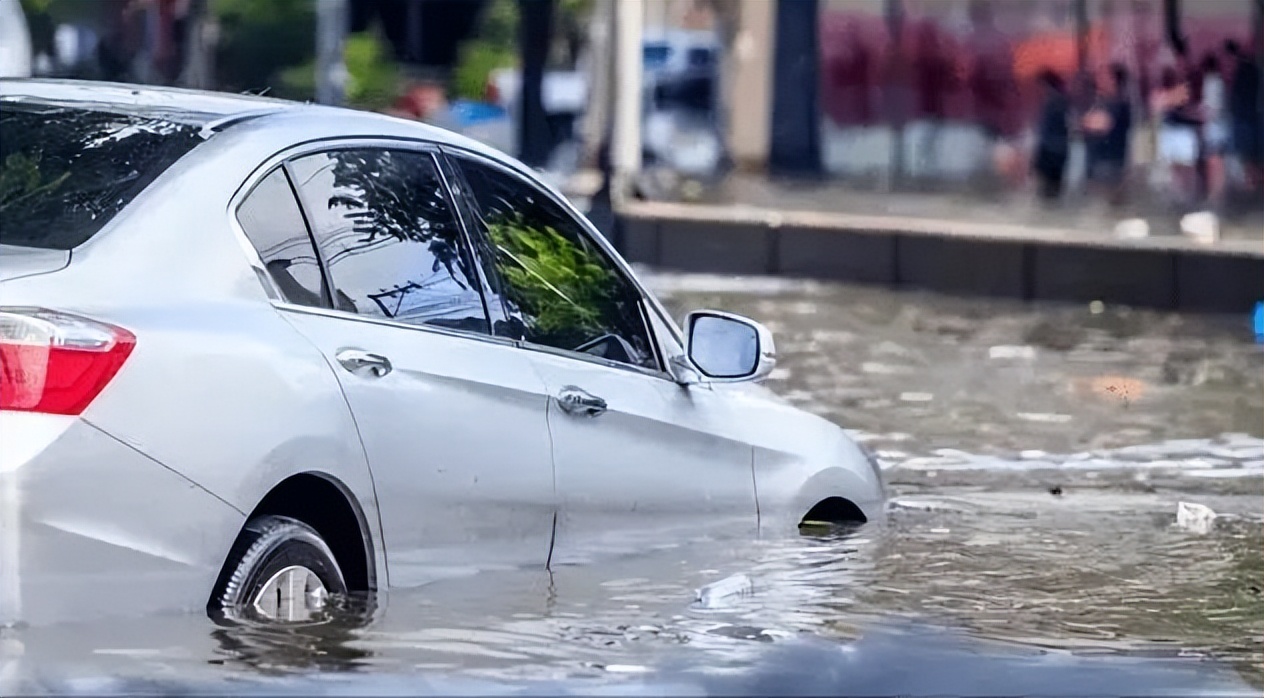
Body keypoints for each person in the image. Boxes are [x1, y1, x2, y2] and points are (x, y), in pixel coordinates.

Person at [1082, 64, 1133, 207]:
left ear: (1114, 80)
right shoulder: (1103, 101)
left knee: (1108, 203)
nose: (1100, 80)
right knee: (1105, 203)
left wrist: (1088, 121)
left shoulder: (1119, 102)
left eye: (1105, 77)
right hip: (1102, 160)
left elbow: (1101, 124)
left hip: (1110, 161)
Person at [1153, 65, 1202, 206]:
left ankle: (1189, 198)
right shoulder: (1161, 94)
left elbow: (1189, 109)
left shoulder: (1183, 91)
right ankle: (1177, 196)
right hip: (1169, 132)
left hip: (1184, 133)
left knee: (1187, 167)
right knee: (1174, 167)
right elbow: (1157, 109)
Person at [1225, 39, 1263, 192]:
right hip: (1251, 118)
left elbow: (1238, 98)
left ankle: (1253, 185)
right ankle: (1254, 184)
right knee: (1251, 155)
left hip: (1245, 120)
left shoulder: (1243, 71)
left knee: (1248, 155)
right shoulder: (1252, 69)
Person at [1032, 70, 1070, 201]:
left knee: (1048, 188)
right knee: (1052, 188)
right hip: (1057, 150)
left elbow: (1050, 131)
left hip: (1051, 150)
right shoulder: (1060, 101)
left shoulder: (1055, 102)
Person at [1199, 53, 1229, 208]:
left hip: (1215, 129)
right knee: (1214, 162)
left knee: (1215, 162)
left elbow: (1214, 108)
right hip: (1215, 128)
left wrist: (1201, 114)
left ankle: (1216, 196)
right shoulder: (1217, 81)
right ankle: (1216, 195)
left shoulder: (1213, 82)